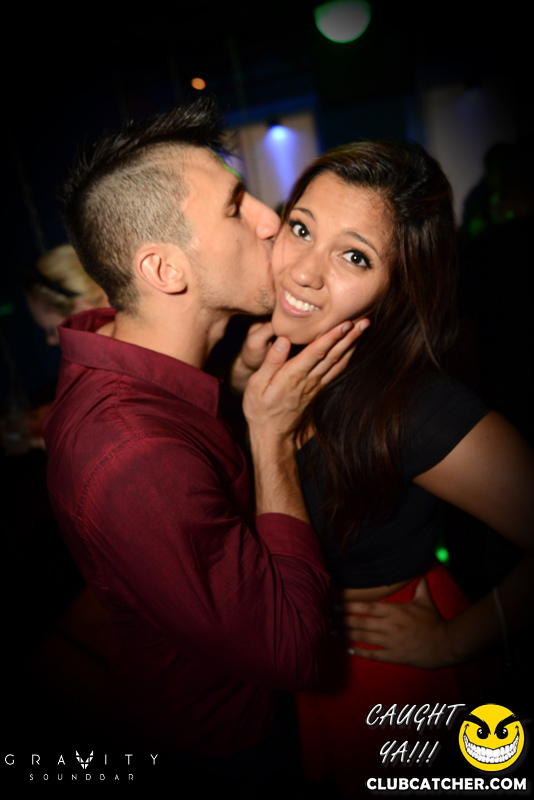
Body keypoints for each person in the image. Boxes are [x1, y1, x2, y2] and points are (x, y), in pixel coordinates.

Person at [42, 97, 366, 795]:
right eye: (235, 208)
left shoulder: (131, 357)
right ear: (164, 271)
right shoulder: (133, 453)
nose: (270, 220)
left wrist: (236, 387)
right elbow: (293, 651)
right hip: (228, 743)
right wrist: (271, 435)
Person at [239, 140, 534, 797]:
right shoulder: (260, 351)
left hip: (387, 667)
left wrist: (454, 644)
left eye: (354, 256)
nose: (303, 272)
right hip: (309, 660)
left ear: (398, 286)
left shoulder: (417, 409)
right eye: (301, 228)